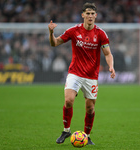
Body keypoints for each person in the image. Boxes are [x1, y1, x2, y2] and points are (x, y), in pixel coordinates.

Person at [48, 2, 116, 145]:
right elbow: (54, 43)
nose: (90, 16)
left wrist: (111, 66)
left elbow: (108, 53)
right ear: (83, 15)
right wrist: (51, 32)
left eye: (93, 14)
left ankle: (87, 135)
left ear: (96, 16)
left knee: (90, 108)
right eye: (88, 13)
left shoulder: (101, 34)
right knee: (68, 101)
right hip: (75, 73)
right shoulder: (74, 30)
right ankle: (66, 131)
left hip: (91, 76)